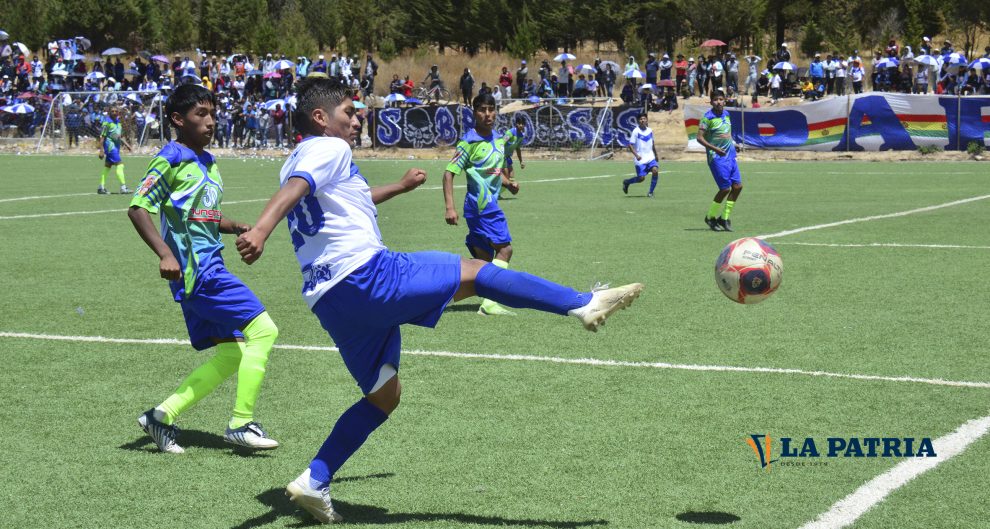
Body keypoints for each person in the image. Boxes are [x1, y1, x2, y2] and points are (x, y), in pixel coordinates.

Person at [232, 78, 643, 524]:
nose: (357, 118)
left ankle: (315, 479)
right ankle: (582, 302)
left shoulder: (298, 158)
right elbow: (297, 188)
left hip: (330, 300)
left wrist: (399, 187)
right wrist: (261, 229)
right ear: (320, 118)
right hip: (366, 275)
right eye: (349, 112)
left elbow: (343, 197)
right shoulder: (329, 148)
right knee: (478, 271)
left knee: (383, 396)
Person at [127, 84, 280, 454]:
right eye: (201, 114)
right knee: (264, 331)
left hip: (208, 267)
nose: (211, 121)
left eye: (213, 114)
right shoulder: (170, 158)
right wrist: (165, 253)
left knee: (232, 354)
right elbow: (138, 208)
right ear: (178, 120)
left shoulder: (207, 161)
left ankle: (160, 417)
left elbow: (202, 215)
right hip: (199, 273)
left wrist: (234, 225)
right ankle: (241, 424)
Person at [442, 93, 521, 316]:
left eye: (491, 109)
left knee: (482, 261)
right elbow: (448, 174)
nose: (487, 114)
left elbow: (492, 171)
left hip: (483, 205)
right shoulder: (468, 142)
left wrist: (508, 183)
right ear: (474, 113)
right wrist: (450, 207)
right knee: (505, 249)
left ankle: (437, 295)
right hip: (481, 205)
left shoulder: (498, 139)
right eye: (482, 110)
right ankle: (490, 302)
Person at [696, 92, 741, 232]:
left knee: (737, 187)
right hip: (716, 157)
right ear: (711, 102)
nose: (718, 102)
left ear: (725, 101)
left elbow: (726, 133)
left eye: (721, 99)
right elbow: (699, 138)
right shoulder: (707, 118)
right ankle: (710, 217)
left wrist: (734, 144)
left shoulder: (727, 114)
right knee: (725, 188)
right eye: (715, 100)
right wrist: (715, 149)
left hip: (730, 155)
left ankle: (724, 218)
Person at [622, 112, 659, 197]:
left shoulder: (650, 131)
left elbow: (652, 143)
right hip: (640, 159)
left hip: (650, 157)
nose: (642, 120)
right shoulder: (636, 131)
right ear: (638, 121)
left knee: (655, 171)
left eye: (644, 119)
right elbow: (630, 145)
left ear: (647, 120)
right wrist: (636, 155)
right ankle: (627, 182)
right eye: (641, 119)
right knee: (641, 179)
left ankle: (650, 192)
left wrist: (656, 155)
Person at [96, 107, 132, 195]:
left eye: (116, 111)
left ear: (118, 113)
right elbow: (102, 137)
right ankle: (123, 187)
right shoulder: (106, 123)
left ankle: (101, 187)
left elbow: (119, 136)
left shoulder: (118, 123)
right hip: (110, 147)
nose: (114, 112)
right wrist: (101, 150)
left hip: (116, 147)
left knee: (107, 166)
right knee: (120, 165)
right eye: (112, 111)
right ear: (109, 112)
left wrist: (127, 145)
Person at [501, 115, 526, 195]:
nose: (521, 125)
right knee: (506, 177)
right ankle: (495, 193)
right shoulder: (510, 133)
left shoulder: (521, 136)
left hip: (507, 157)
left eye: (523, 124)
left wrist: (521, 161)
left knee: (511, 176)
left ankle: (498, 193)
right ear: (516, 124)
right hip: (501, 156)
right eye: (519, 123)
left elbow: (518, 149)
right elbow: (501, 143)